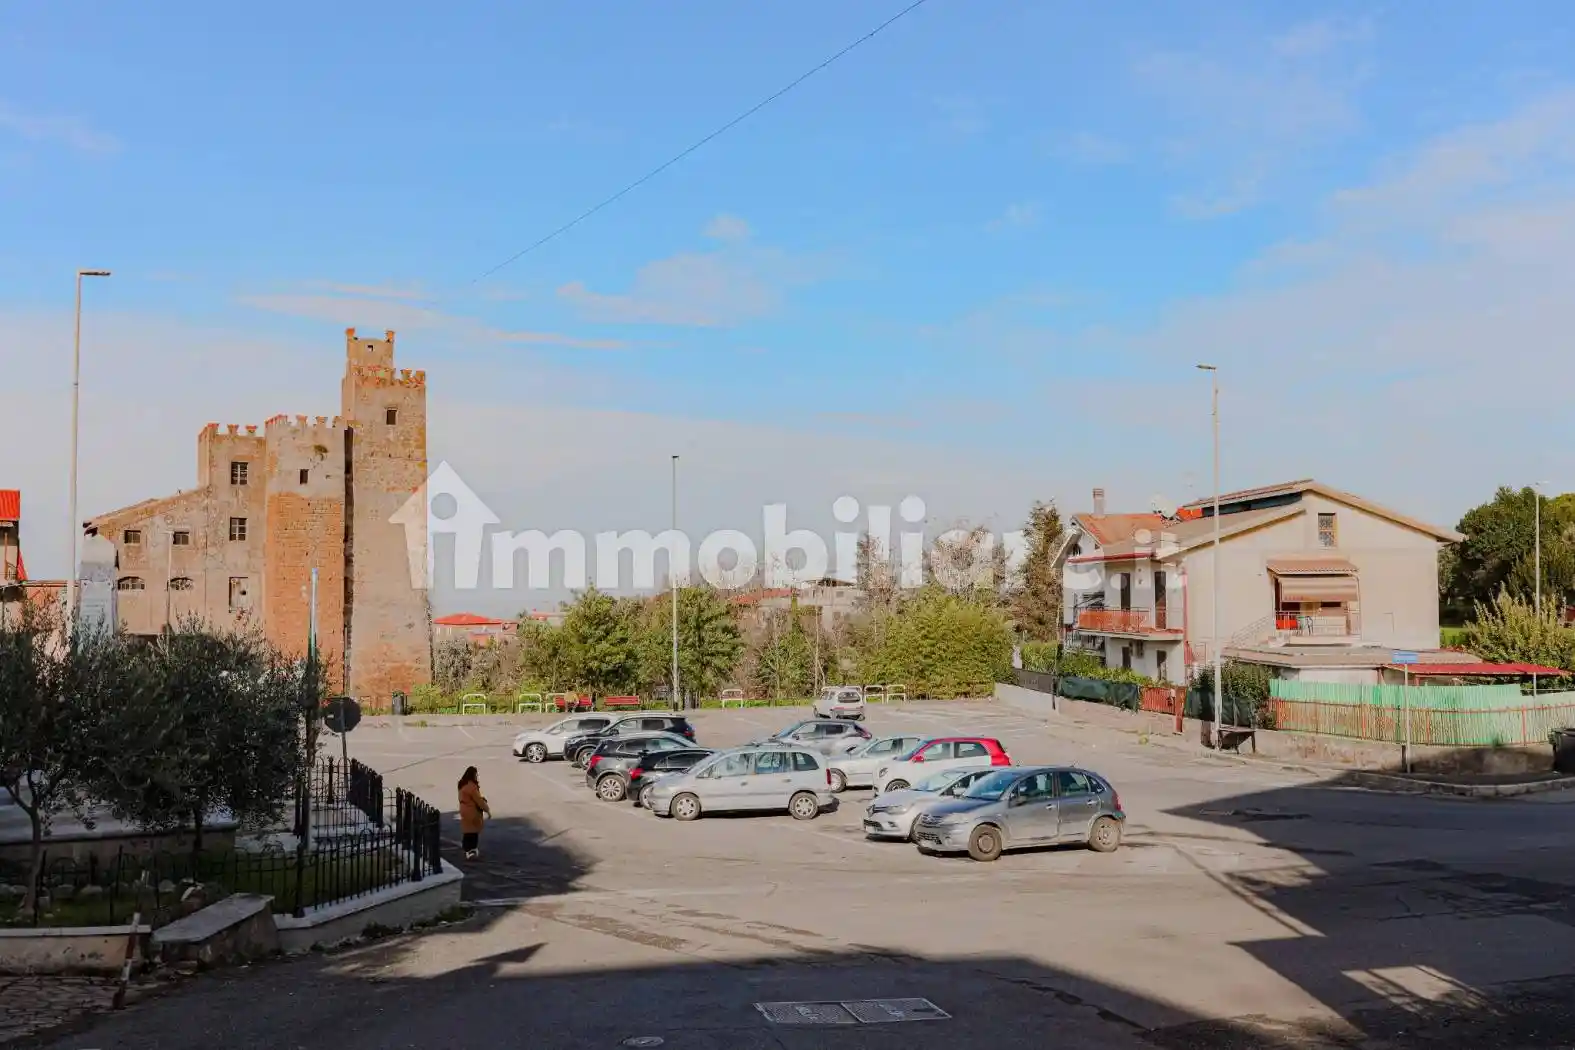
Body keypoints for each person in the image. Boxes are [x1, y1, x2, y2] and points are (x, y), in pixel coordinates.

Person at [457, 766, 490, 860]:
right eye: (476, 774)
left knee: (467, 830)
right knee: (473, 832)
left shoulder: (462, 784)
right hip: (472, 811)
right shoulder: (472, 787)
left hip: (464, 809)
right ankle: (471, 851)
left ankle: (467, 849)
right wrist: (487, 810)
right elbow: (478, 801)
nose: (477, 776)